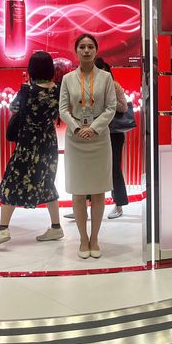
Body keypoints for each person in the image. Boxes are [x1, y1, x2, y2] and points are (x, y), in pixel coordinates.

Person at [0, 52, 64, 247]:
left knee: (12, 181)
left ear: (31, 69)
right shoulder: (59, 90)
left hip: (28, 143)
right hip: (48, 143)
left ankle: (3, 229)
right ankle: (56, 227)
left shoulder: (27, 90)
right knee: (47, 181)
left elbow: (14, 108)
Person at [59, 34, 117, 259]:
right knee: (79, 192)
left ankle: (95, 238)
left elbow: (111, 108)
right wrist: (76, 127)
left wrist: (94, 128)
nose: (86, 50)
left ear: (96, 50)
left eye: (90, 47)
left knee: (99, 190)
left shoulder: (105, 78)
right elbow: (63, 109)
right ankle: (83, 239)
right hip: (76, 141)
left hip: (99, 140)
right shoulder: (67, 79)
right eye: (82, 47)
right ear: (76, 51)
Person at [94, 57, 130, 220]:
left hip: (114, 134)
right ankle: (85, 205)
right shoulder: (88, 86)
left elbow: (124, 107)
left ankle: (119, 205)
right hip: (96, 132)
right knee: (91, 168)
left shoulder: (114, 86)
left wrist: (108, 100)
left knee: (114, 168)